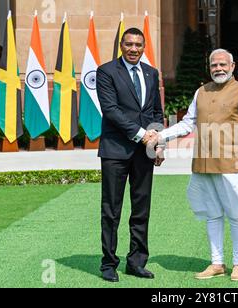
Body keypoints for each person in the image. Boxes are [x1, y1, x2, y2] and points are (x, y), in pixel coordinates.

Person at [152, 49, 238, 281]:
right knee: (212, 215)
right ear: (209, 67)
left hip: (234, 166)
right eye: (214, 65)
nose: (219, 69)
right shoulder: (201, 92)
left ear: (233, 66)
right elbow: (187, 124)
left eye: (223, 64)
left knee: (236, 216)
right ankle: (216, 263)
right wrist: (161, 136)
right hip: (203, 166)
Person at [96, 27, 164, 282]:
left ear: (143, 47)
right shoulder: (106, 71)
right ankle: (108, 264)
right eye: (129, 44)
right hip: (115, 150)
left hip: (144, 153)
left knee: (141, 209)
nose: (134, 49)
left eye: (138, 45)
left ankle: (136, 262)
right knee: (111, 209)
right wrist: (141, 134)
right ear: (121, 46)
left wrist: (157, 143)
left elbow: (156, 113)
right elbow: (111, 110)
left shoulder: (151, 72)